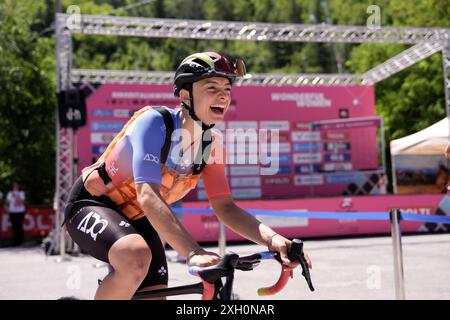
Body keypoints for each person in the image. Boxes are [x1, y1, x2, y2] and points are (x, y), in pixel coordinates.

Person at [63, 51, 312, 300]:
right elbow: (148, 196)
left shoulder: (210, 145)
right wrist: (193, 252)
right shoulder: (153, 123)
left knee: (154, 295)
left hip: (138, 218)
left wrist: (274, 240)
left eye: (227, 88)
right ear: (185, 95)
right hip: (91, 204)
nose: (223, 95)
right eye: (211, 87)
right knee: (136, 257)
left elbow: (225, 207)